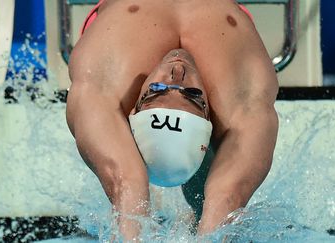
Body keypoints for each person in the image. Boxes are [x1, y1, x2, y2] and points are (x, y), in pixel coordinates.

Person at [66, 0, 279, 241]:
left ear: (134, 108)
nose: (177, 73)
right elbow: (227, 195)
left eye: (156, 90)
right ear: (209, 114)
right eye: (193, 95)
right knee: (210, 187)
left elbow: (125, 180)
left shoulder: (103, 81)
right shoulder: (243, 99)